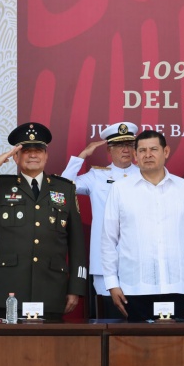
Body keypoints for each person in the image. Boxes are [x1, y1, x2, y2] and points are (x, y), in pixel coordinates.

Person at [0, 122, 88, 320]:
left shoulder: (64, 189)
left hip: (52, 291)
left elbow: (77, 243)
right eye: (26, 151)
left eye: (38, 150)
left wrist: (76, 288)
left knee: (51, 341)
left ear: (46, 155)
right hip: (11, 291)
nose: (33, 155)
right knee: (11, 340)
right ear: (15, 156)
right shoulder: (0, 187)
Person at [102, 130, 184, 321]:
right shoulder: (120, 189)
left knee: (180, 340)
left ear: (166, 152)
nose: (147, 155)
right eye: (142, 150)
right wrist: (112, 284)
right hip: (133, 289)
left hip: (179, 288)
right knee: (134, 340)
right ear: (135, 155)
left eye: (153, 149)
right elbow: (108, 240)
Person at [61, 122, 139, 318]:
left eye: (129, 145)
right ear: (109, 150)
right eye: (119, 145)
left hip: (138, 260)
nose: (125, 150)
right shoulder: (97, 175)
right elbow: (64, 186)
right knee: (110, 318)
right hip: (105, 261)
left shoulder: (145, 174)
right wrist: (82, 156)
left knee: (138, 319)